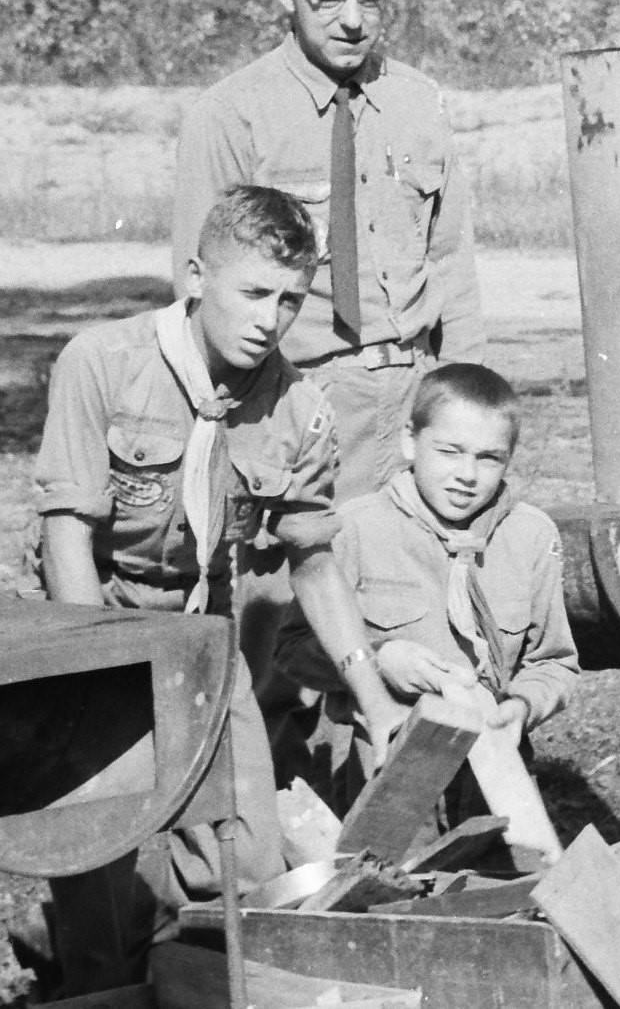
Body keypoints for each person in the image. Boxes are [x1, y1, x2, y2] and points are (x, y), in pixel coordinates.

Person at [30, 185, 406, 994]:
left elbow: (313, 560)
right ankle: (85, 968)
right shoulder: (102, 363)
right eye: (254, 292)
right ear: (198, 276)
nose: (271, 318)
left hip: (205, 637)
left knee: (246, 866)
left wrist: (375, 698)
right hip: (91, 622)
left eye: (291, 299)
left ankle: (210, 986)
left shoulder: (297, 408)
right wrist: (104, 682)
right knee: (102, 880)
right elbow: (67, 538)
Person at [169, 0, 485, 780]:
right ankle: (258, 844)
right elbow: (198, 298)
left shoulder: (419, 104)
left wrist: (466, 406)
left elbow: (451, 262)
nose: (351, 19)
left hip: (407, 401)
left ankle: (402, 836)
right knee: (275, 634)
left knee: (412, 620)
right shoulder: (230, 116)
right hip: (291, 407)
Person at [275, 363, 578, 856]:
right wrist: (380, 657)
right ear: (410, 442)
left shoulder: (531, 536)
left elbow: (554, 662)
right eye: (449, 451)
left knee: (501, 901)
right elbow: (291, 649)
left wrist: (521, 708)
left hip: (495, 773)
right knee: (394, 903)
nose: (466, 474)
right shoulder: (356, 529)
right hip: (386, 766)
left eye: (489, 458)